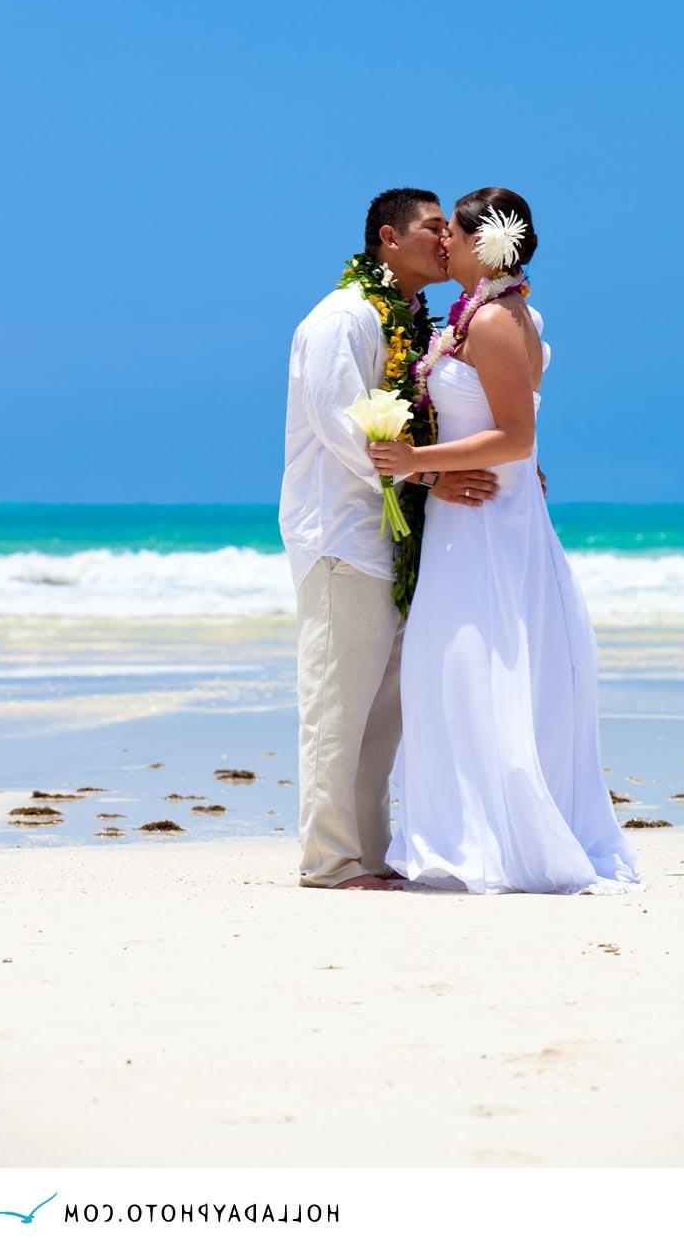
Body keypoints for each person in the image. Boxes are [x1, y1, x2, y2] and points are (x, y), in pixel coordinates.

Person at [367, 187, 641, 894]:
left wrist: (414, 464)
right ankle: (457, 833)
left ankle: (489, 841)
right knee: (451, 672)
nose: (442, 243)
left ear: (475, 243)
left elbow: (517, 439)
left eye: (450, 232)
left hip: (490, 520)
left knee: (478, 666)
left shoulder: (493, 320)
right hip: (469, 516)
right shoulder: (481, 315)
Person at [279, 188, 502, 890]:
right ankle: (331, 862)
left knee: (381, 714)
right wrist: (431, 483)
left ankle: (368, 856)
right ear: (388, 238)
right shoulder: (344, 317)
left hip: (391, 541)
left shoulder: (405, 316)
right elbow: (342, 423)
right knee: (336, 705)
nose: (446, 239)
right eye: (433, 228)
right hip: (342, 534)